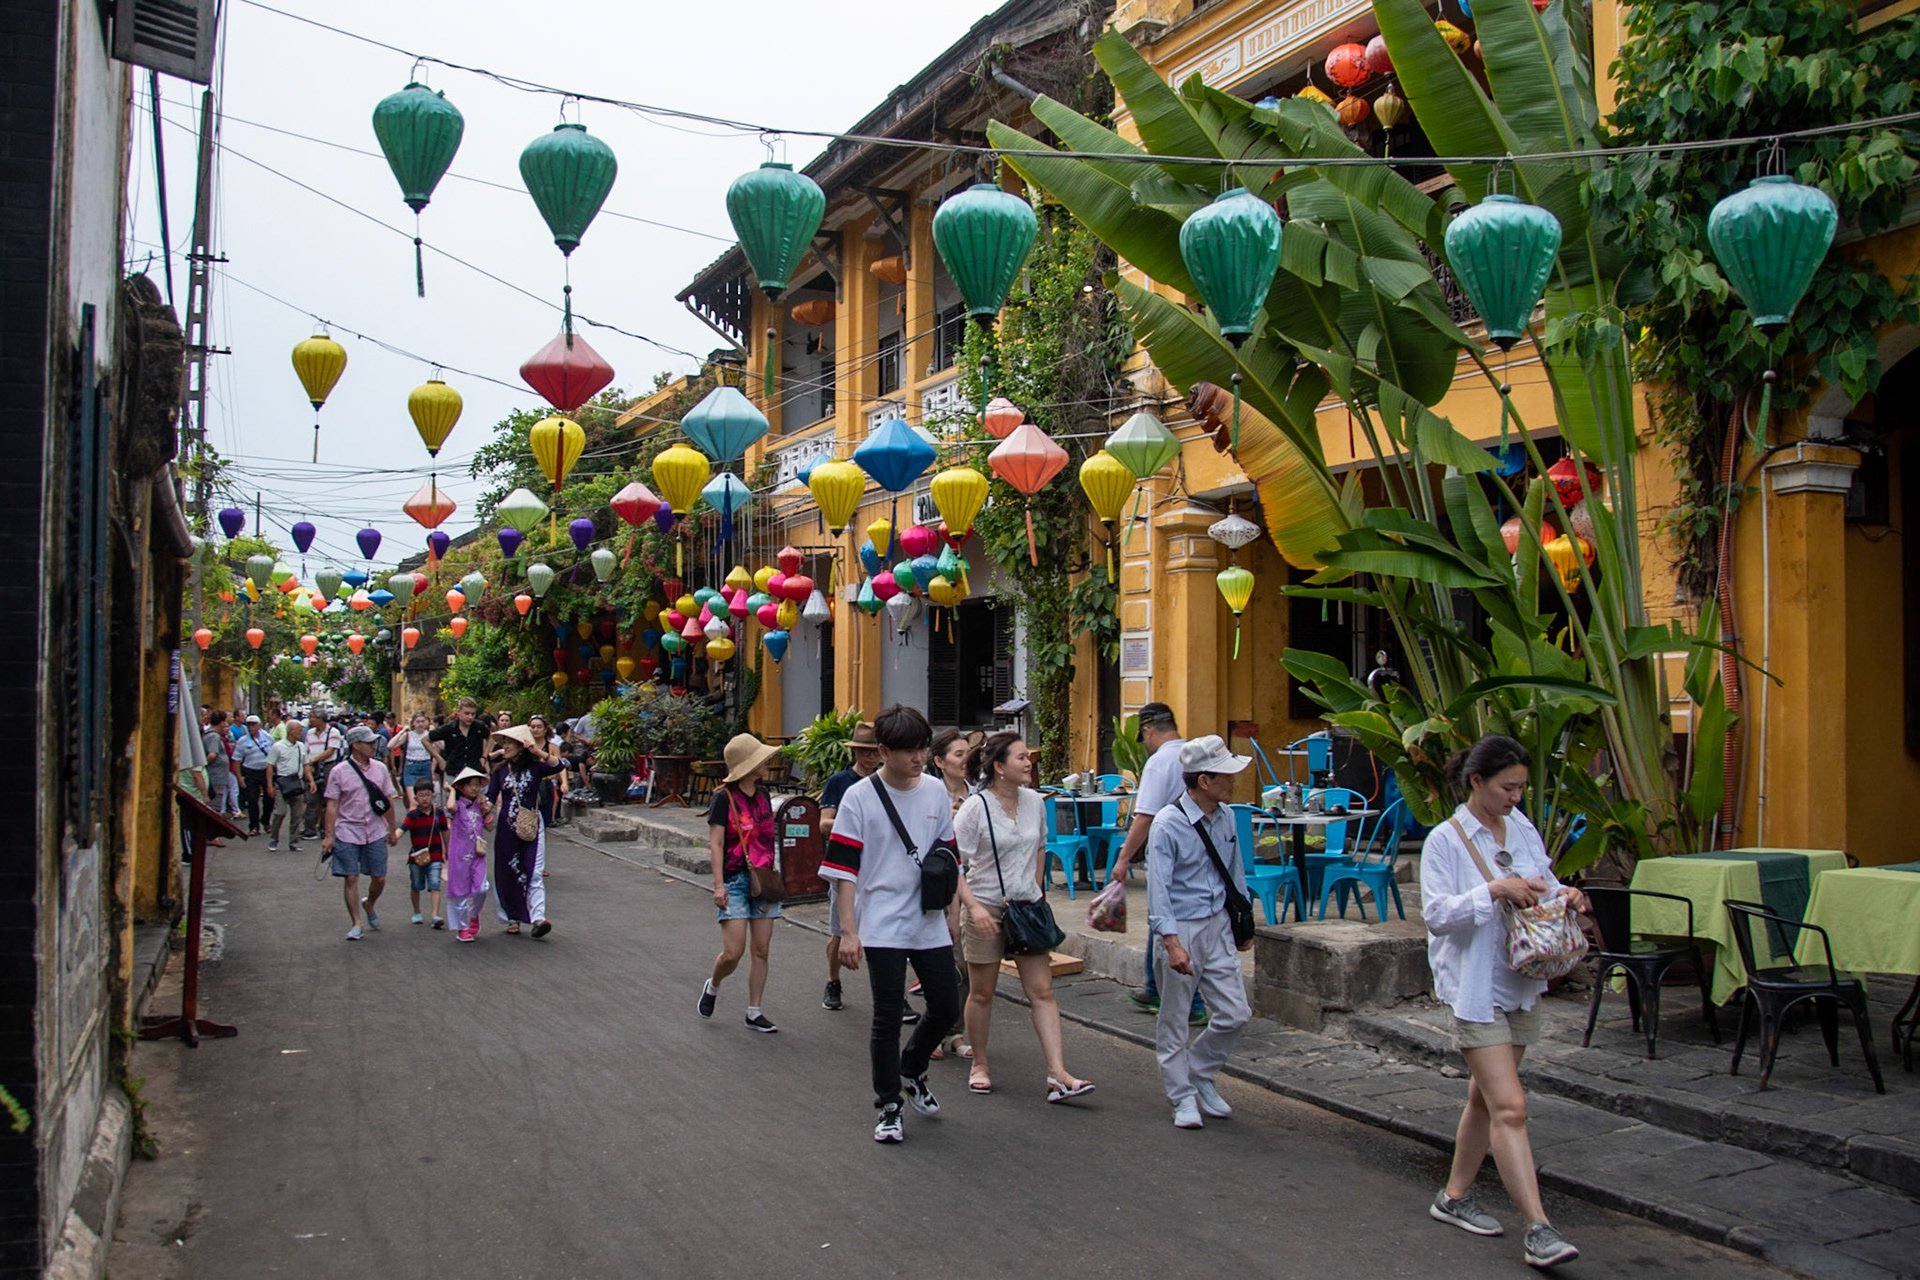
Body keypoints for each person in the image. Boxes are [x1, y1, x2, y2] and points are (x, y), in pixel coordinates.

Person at [1422, 735, 1589, 1269]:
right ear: (1477, 782)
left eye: (1520, 787)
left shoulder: (1520, 826)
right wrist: (1493, 891)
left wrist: (1565, 894)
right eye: (1507, 787)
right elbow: (1437, 916)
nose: (1516, 797)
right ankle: (1538, 1229)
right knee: (1511, 1107)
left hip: (1520, 978)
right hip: (1473, 988)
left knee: (1486, 1101)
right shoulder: (1444, 841)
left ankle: (1453, 1197)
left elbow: (1544, 880)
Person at [820, 705, 961, 1144]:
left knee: (945, 1005)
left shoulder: (936, 792)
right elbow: (844, 869)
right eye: (908, 751)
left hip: (927, 917)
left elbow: (948, 855)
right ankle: (888, 1104)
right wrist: (848, 931)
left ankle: (912, 1069)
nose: (918, 757)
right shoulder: (859, 798)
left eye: (922, 748)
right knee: (886, 1017)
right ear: (882, 751)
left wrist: (953, 910)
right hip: (879, 919)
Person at [954, 731, 1093, 1102]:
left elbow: (1040, 848)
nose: (1028, 763)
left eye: (1027, 757)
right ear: (999, 767)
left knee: (1043, 992)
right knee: (982, 992)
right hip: (986, 906)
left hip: (1027, 907)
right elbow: (954, 864)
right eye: (1019, 758)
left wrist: (1036, 893)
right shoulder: (975, 808)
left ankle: (1058, 1073)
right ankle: (979, 1062)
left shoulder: (1035, 802)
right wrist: (975, 907)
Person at [1146, 734, 1255, 1130]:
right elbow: (1159, 888)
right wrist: (1171, 942)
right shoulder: (1167, 825)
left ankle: (1201, 1072)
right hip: (1182, 926)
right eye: (1225, 775)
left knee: (1235, 1012)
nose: (1233, 781)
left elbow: (1235, 869)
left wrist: (1243, 918)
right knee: (1175, 1018)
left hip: (1218, 923)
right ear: (1204, 781)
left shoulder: (1225, 816)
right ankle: (1181, 1097)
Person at [1112, 703, 1206, 1026]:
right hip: (1202, 855)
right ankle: (1154, 986)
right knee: (1168, 919)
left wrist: (1124, 858)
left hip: (1169, 856)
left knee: (1168, 920)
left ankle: (1192, 1003)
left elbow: (1145, 816)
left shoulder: (1159, 763)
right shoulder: (1195, 755)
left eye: (1145, 736)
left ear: (1149, 731)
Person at [817, 721, 910, 1020]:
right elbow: (823, 823)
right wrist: (857, 826)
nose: (872, 758)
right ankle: (833, 982)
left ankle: (894, 995)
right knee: (839, 930)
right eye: (866, 752)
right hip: (848, 865)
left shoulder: (891, 781)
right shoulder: (840, 782)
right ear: (856, 751)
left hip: (884, 865)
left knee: (889, 934)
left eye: (875, 753)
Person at [697, 733, 785, 1033]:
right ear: (748, 765)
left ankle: (754, 1010)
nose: (766, 763)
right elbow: (716, 844)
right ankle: (714, 983)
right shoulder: (724, 799)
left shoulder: (763, 795)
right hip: (734, 880)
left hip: (764, 880)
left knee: (761, 949)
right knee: (734, 951)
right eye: (760, 759)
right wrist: (718, 885)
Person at [322, 725, 401, 941]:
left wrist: (392, 829)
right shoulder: (339, 771)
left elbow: (388, 801)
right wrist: (329, 835)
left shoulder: (380, 769)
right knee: (350, 877)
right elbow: (332, 804)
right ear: (356, 746)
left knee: (379, 877)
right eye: (369, 743)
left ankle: (370, 904)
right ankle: (356, 922)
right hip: (347, 829)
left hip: (375, 830)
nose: (373, 746)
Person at [488, 724, 564, 938]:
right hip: (506, 826)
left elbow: (559, 765)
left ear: (522, 746)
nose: (506, 747)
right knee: (507, 871)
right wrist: (483, 810)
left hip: (531, 824)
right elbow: (490, 797)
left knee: (534, 870)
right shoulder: (500, 770)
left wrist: (538, 752)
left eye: (510, 743)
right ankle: (512, 917)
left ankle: (538, 917)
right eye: (504, 743)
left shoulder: (536, 767)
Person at [444, 767, 492, 941]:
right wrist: (451, 791)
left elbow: (489, 827)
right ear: (461, 787)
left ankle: (474, 915)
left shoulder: (480, 805)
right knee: (459, 890)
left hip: (478, 852)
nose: (474, 788)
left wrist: (487, 810)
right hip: (459, 852)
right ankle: (462, 927)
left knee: (482, 888)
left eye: (477, 785)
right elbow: (450, 807)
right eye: (470, 785)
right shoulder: (457, 804)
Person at [400, 779, 448, 927]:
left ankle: (435, 914)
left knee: (435, 884)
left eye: (428, 795)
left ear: (433, 796)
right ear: (415, 798)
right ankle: (417, 911)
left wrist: (448, 849)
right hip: (417, 857)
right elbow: (401, 829)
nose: (425, 798)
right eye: (421, 796)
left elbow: (445, 831)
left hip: (435, 855)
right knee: (416, 885)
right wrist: (392, 837)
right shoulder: (412, 815)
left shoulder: (439, 813)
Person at [265, 721, 311, 852]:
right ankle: (274, 838)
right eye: (298, 731)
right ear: (291, 731)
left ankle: (294, 841)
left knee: (297, 814)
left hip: (297, 782)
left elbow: (306, 764)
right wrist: (269, 785)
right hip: (282, 783)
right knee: (280, 812)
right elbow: (270, 766)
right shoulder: (278, 747)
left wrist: (310, 780)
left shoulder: (301, 746)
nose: (301, 733)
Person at [303, 711, 346, 839]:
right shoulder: (309, 733)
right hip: (312, 767)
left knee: (326, 799)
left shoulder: (333, 733)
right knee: (311, 798)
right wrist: (309, 764)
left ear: (321, 719)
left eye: (312, 717)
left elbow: (330, 751)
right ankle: (309, 829)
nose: (310, 720)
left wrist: (313, 760)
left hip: (327, 766)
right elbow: (306, 750)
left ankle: (324, 829)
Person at [428, 698, 490, 782]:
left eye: (473, 714)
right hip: (454, 772)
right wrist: (439, 759)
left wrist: (484, 756)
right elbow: (425, 740)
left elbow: (491, 737)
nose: (470, 717)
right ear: (459, 712)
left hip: (474, 772)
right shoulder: (449, 728)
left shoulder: (479, 727)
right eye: (467, 714)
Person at [235, 714, 275, 835]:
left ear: (259, 725)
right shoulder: (242, 741)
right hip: (250, 772)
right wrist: (239, 777)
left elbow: (273, 757)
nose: (251, 728)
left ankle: (266, 821)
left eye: (253, 725)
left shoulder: (268, 739)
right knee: (252, 800)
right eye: (249, 725)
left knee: (269, 799)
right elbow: (237, 760)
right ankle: (254, 826)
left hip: (265, 771)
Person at [389, 710, 441, 800]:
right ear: (413, 723)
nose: (420, 724)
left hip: (425, 766)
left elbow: (442, 746)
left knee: (425, 799)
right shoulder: (409, 735)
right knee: (413, 800)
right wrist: (402, 732)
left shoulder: (429, 735)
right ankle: (412, 813)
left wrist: (435, 733)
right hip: (411, 767)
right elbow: (390, 745)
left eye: (423, 721)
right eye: (418, 722)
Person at [200, 711, 234, 823]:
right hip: (215, 776)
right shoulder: (213, 736)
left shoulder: (216, 736)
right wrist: (204, 765)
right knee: (215, 806)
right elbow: (212, 754)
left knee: (218, 803)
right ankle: (211, 835)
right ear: (221, 722)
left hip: (219, 776)